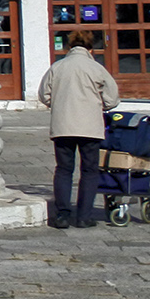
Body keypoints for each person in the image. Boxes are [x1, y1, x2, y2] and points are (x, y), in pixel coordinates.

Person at [38, 28, 120, 229]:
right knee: (90, 170)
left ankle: (62, 215)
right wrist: (98, 105)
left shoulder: (57, 67)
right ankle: (84, 216)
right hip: (90, 127)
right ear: (90, 49)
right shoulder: (97, 69)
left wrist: (58, 103)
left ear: (69, 47)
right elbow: (112, 99)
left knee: (64, 169)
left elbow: (43, 94)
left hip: (63, 126)